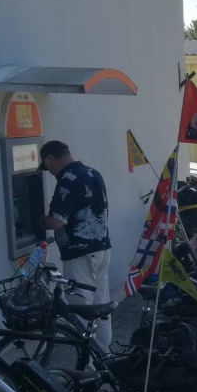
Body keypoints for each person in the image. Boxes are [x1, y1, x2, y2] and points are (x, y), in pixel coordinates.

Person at [38, 139, 113, 347]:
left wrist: (41, 220)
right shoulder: (92, 173)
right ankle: (105, 359)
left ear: (51, 159)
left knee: (80, 310)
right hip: (101, 249)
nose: (49, 172)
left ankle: (87, 364)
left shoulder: (68, 179)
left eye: (47, 167)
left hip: (79, 254)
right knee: (101, 308)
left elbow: (56, 221)